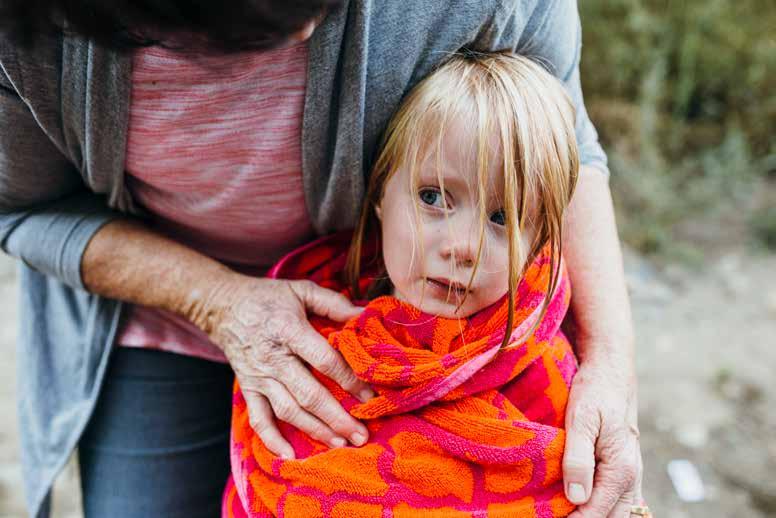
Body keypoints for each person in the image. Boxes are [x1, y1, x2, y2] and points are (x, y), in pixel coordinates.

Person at [0, 1, 642, 518]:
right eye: (434, 198)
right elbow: (21, 209)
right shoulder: (25, 33)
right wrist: (216, 301)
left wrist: (610, 366)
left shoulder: (518, 346)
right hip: (155, 323)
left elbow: (566, 144)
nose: (311, 26)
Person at [225, 51, 588, 517]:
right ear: (379, 193)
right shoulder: (300, 338)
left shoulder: (543, 369)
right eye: (433, 197)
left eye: (503, 218)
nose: (462, 246)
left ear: (537, 244)